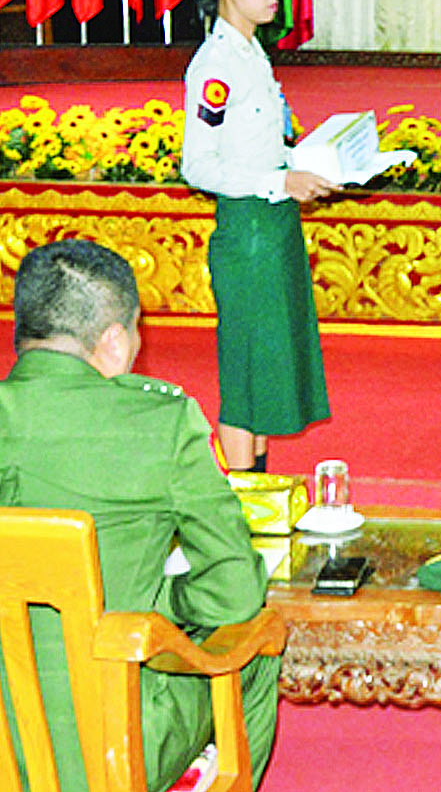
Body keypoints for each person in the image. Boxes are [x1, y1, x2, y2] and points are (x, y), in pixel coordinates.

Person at [0, 239, 281, 790]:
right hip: (112, 746)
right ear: (112, 340)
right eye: (135, 331)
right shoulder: (161, 423)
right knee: (254, 646)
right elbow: (235, 591)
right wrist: (161, 601)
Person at [181, 0, 336, 472]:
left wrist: (308, 164)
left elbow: (261, 147)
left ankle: (261, 490)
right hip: (248, 233)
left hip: (274, 229)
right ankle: (245, 499)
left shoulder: (252, 54)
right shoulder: (215, 65)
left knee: (269, 371)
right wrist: (279, 183)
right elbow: (198, 165)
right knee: (245, 378)